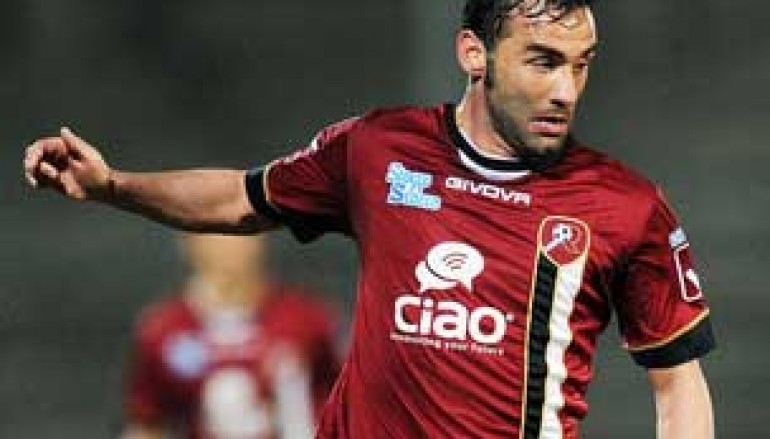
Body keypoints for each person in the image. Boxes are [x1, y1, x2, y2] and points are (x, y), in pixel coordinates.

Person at [24, 1, 715, 438]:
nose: (566, 89)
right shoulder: (379, 149)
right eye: (543, 61)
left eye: (580, 65)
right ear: (473, 53)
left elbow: (678, 383)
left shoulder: (626, 205)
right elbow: (241, 197)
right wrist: (113, 185)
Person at [121, 233, 341, 439]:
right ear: (188, 242)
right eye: (214, 234)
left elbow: (345, 400)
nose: (229, 245)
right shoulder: (164, 331)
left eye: (241, 233)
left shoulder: (307, 319)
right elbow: (147, 422)